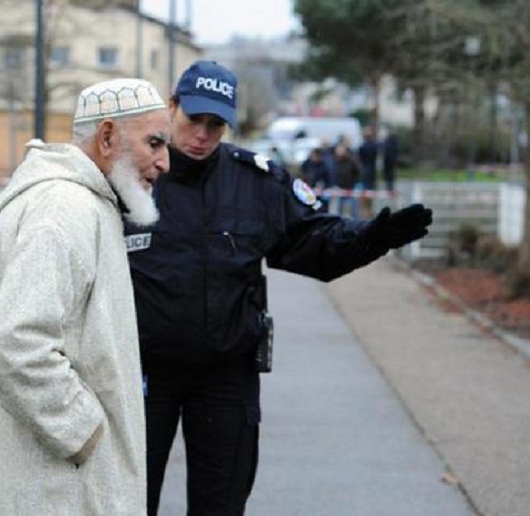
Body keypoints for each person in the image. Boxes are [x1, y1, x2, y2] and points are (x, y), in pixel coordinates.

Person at [123, 60, 433, 516]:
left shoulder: (255, 183)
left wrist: (373, 237)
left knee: (221, 505)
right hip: (142, 374)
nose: (202, 135)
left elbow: (314, 241)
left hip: (225, 376)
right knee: (127, 502)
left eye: (216, 125)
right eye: (194, 119)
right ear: (172, 106)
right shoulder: (130, 177)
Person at [0, 78, 171, 516]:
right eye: (154, 143)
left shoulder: (79, 202)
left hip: (43, 477)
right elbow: (15, 341)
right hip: (45, 484)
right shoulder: (65, 209)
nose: (165, 162)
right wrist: (81, 430)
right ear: (107, 137)